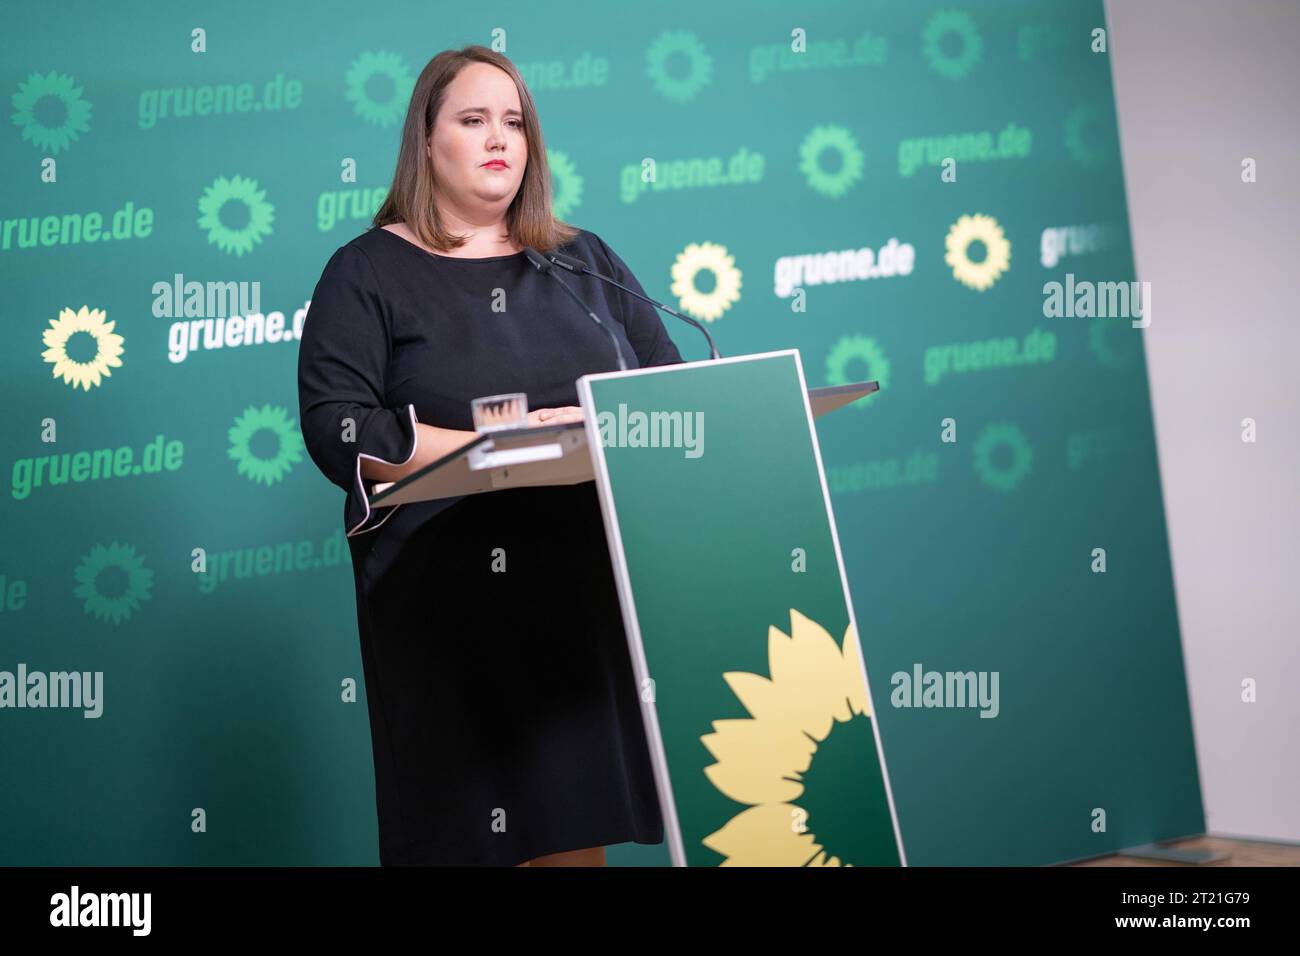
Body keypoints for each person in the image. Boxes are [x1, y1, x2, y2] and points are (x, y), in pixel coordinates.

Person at [297, 45, 683, 867]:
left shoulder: (584, 260)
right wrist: (494, 445)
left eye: (514, 123)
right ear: (426, 141)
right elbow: (338, 428)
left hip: (576, 594)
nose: (498, 139)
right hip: (444, 606)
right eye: (473, 121)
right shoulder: (366, 273)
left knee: (574, 836)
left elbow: (669, 394)